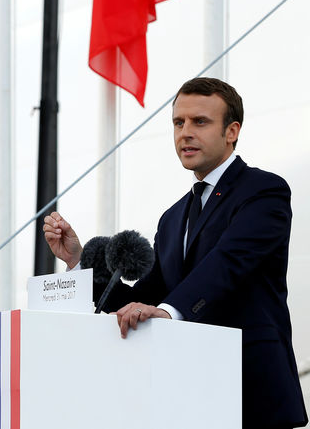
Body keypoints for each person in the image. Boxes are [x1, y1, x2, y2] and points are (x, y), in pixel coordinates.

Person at [43, 77, 307, 429]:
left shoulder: (264, 191)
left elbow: (227, 262)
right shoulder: (172, 218)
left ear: (232, 131)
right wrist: (77, 261)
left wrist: (167, 313)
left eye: (200, 122)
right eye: (178, 122)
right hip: (187, 398)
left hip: (251, 393)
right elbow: (143, 300)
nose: (185, 132)